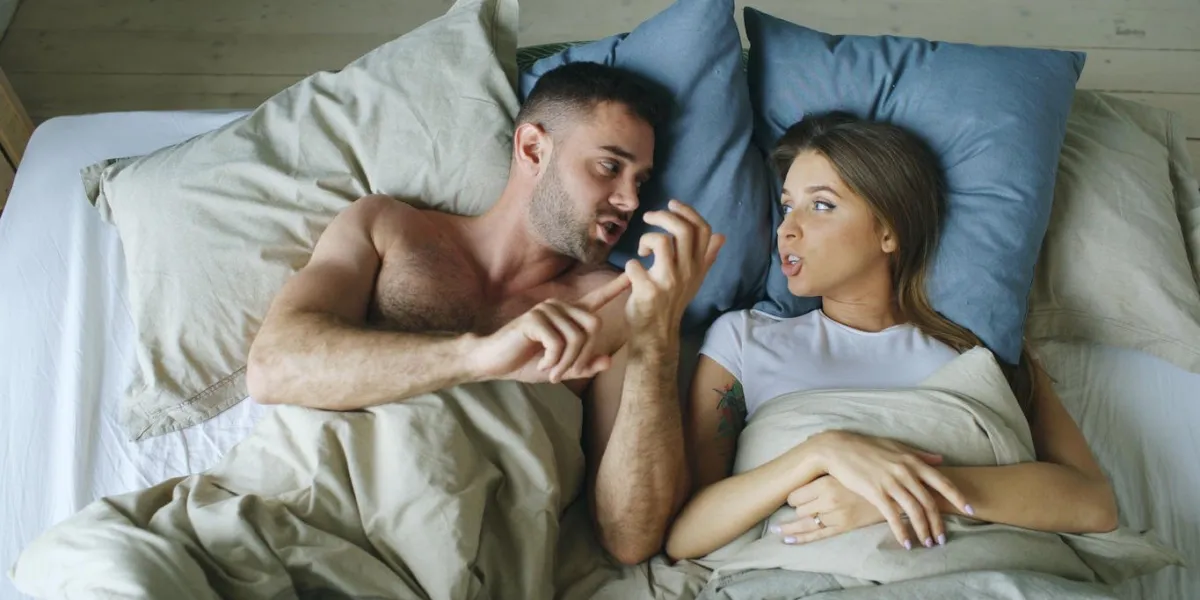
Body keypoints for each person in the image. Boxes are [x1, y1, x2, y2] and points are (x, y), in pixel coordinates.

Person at [245, 62, 723, 565]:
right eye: (609, 166)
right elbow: (272, 368)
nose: (630, 200)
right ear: (533, 149)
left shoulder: (618, 306)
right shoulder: (389, 228)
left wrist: (659, 336)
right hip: (279, 516)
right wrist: (479, 357)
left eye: (640, 179)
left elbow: (631, 537)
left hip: (438, 559)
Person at [664, 113, 1118, 561]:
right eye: (787, 206)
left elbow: (1094, 505)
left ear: (889, 230)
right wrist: (822, 451)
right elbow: (688, 534)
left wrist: (904, 492)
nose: (787, 228)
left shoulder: (977, 353)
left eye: (821, 205)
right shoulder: (744, 340)